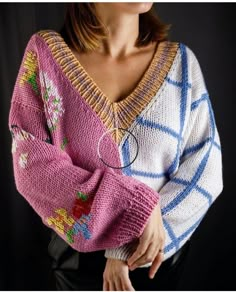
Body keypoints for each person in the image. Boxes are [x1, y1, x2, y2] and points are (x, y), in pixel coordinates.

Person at [8, 2, 223, 291]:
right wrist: (135, 210)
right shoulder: (46, 56)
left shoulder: (182, 65)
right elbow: (31, 164)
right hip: (79, 265)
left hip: (158, 262)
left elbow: (207, 171)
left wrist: (124, 250)